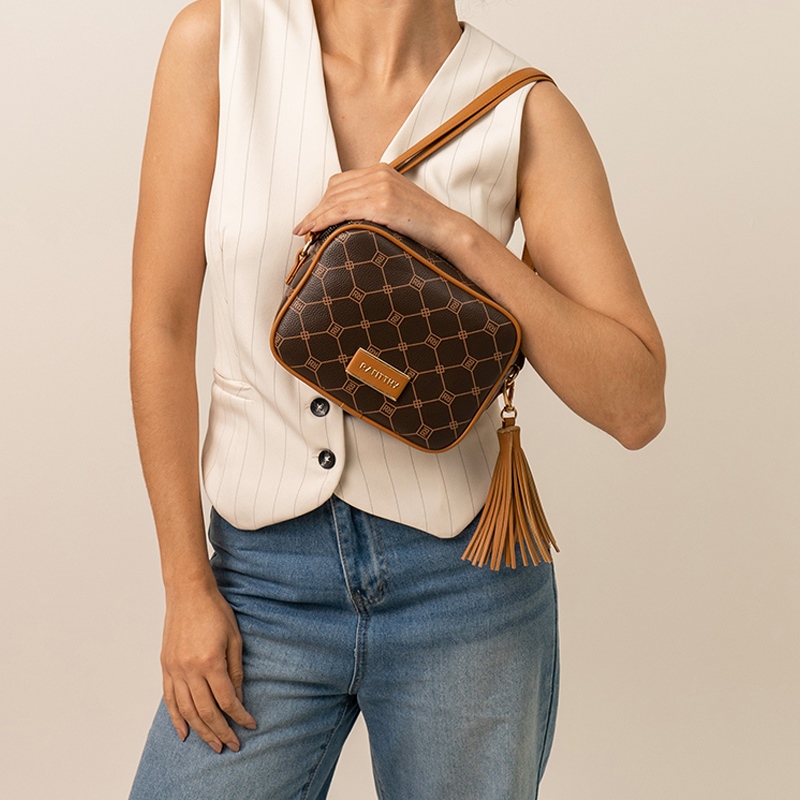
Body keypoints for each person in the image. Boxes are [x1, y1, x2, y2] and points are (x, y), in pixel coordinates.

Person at [128, 0, 666, 797]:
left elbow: (637, 406)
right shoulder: (219, 44)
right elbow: (162, 326)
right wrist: (185, 587)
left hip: (467, 590)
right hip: (260, 588)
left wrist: (455, 234)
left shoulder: (525, 111)